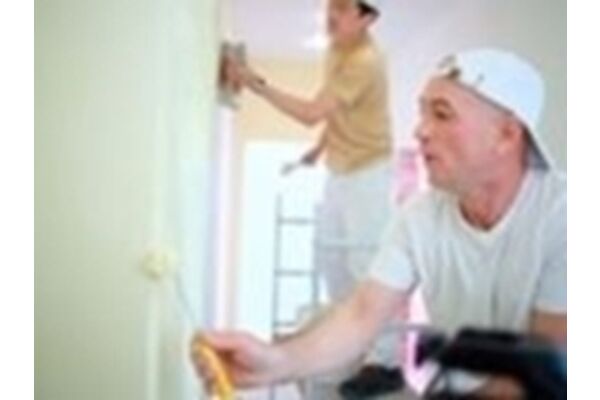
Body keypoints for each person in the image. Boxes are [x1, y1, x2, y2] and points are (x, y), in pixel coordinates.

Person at [194, 48, 566, 398]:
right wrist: (275, 362)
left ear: (506, 135)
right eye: (422, 113)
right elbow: (361, 315)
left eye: (441, 114)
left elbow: (545, 371)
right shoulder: (420, 216)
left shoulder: (566, 215)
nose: (420, 131)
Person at [230, 0, 400, 374]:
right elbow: (337, 112)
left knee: (366, 262)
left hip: (369, 171)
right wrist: (319, 150)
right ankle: (349, 344)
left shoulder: (365, 61)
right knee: (331, 258)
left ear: (367, 18)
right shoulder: (337, 49)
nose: (331, 14)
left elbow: (311, 113)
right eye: (330, 5)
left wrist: (255, 83)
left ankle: (384, 361)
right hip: (340, 169)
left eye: (342, 8)